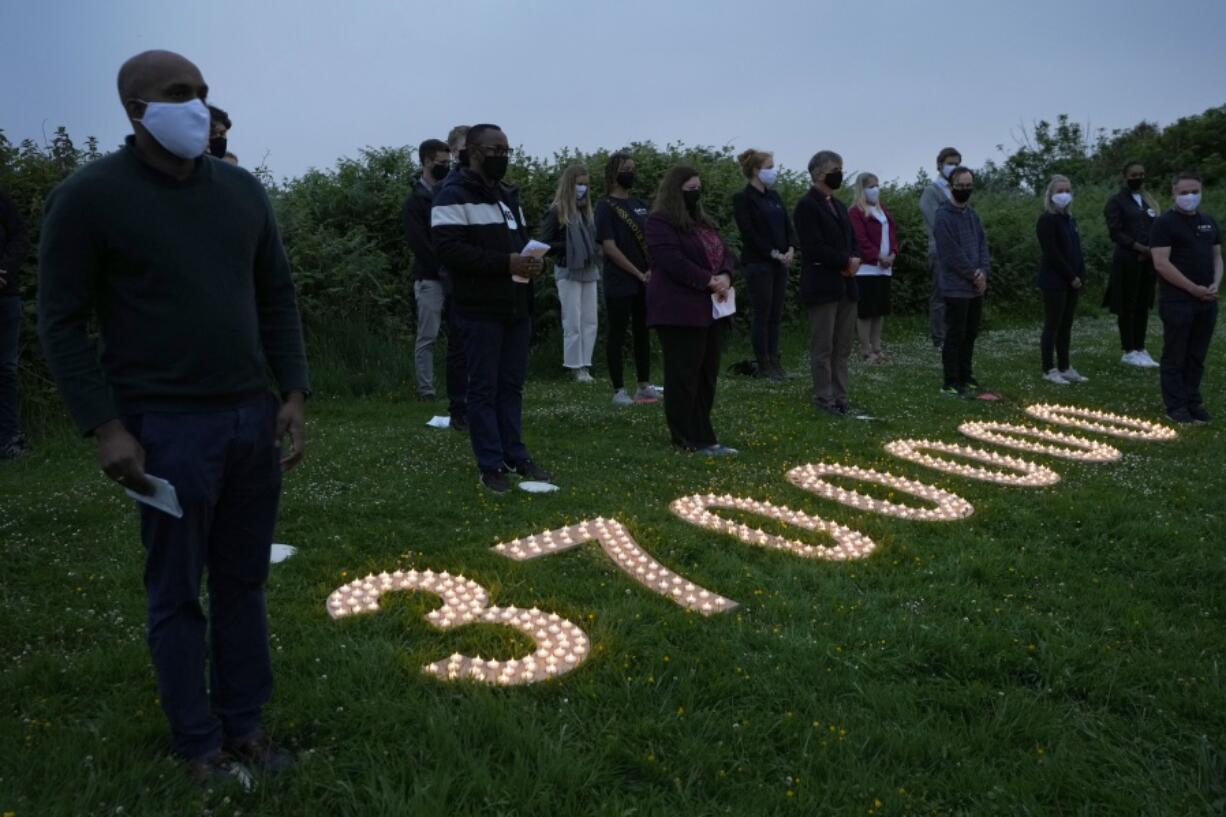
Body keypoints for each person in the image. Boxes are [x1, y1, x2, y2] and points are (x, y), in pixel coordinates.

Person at [38, 51, 309, 785]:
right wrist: (106, 425)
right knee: (178, 589)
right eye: (177, 94)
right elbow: (59, 321)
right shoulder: (91, 196)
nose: (196, 106)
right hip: (165, 428)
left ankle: (245, 722)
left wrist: (292, 390)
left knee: (243, 580)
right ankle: (198, 740)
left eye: (203, 93)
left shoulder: (242, 191)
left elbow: (276, 294)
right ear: (135, 108)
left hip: (249, 416)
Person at [431, 123, 552, 491]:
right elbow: (449, 250)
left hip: (516, 305)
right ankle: (490, 463)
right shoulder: (451, 195)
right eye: (495, 150)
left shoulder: (506, 195)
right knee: (483, 388)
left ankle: (515, 454)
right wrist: (506, 264)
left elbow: (519, 241)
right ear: (473, 151)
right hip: (478, 307)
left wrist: (534, 261)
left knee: (511, 385)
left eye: (506, 150)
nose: (502, 157)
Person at [645, 165, 736, 454]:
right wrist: (707, 280)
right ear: (676, 191)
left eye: (698, 189)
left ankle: (704, 434)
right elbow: (671, 260)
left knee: (707, 374)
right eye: (690, 190)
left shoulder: (704, 222)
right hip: (678, 309)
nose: (696, 194)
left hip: (709, 309)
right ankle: (686, 437)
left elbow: (726, 253)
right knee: (684, 375)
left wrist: (725, 275)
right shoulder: (660, 221)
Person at [1150, 171, 1221, 424]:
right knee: (1175, 354)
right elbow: (1161, 263)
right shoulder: (1164, 224)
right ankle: (1175, 405)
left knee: (1197, 355)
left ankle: (1193, 401)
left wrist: (1215, 283)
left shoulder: (1208, 221)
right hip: (1178, 300)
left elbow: (1216, 257)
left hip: (1207, 300)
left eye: (1194, 192)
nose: (1190, 197)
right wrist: (1192, 288)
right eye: (1184, 192)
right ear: (1174, 193)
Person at [794, 150, 860, 416]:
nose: (840, 173)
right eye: (835, 168)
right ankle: (824, 397)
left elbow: (851, 238)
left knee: (842, 346)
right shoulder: (807, 206)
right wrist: (844, 261)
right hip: (823, 284)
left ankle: (841, 396)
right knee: (824, 346)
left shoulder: (840, 205)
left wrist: (853, 258)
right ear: (819, 173)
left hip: (846, 284)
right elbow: (813, 247)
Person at [595, 151, 659, 406]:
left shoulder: (639, 204)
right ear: (613, 173)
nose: (631, 173)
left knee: (643, 332)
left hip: (645, 279)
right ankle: (618, 390)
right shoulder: (605, 206)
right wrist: (637, 272)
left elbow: (652, 239)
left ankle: (644, 385)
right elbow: (609, 247)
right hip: (620, 280)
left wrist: (651, 269)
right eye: (626, 169)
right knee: (618, 333)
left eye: (633, 168)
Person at [732, 148, 796, 381]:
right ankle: (764, 362)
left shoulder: (774, 196)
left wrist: (790, 249)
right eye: (769, 167)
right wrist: (773, 253)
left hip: (780, 263)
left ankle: (774, 358)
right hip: (758, 264)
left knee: (775, 314)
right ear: (756, 170)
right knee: (763, 312)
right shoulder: (743, 198)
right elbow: (749, 233)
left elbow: (788, 227)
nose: (773, 171)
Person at [540, 165, 601, 382]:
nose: (582, 188)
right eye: (579, 184)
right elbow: (544, 244)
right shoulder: (557, 211)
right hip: (567, 269)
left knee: (590, 319)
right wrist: (568, 246)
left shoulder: (587, 212)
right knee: (572, 320)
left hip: (589, 269)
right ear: (569, 185)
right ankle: (575, 366)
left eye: (585, 184)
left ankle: (586, 363)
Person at [934, 166, 990, 397]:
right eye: (961, 186)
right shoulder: (943, 216)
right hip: (956, 286)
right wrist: (972, 274)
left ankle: (966, 375)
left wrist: (983, 272)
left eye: (969, 186)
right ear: (951, 186)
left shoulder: (972, 215)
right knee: (955, 335)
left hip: (975, 287)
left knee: (970, 333)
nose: (965, 190)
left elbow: (982, 245)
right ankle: (951, 380)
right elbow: (950, 253)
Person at [403, 138, 452, 399]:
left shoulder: (449, 194)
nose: (446, 167)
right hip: (430, 277)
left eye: (448, 163)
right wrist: (444, 264)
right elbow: (419, 244)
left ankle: (459, 384)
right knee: (428, 335)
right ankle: (426, 390)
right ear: (425, 162)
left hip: (453, 274)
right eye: (440, 163)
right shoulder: (414, 202)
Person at [1104, 161, 1161, 368]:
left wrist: (1152, 249)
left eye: (1141, 174)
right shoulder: (1116, 202)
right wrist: (1138, 247)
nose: (1138, 178)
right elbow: (1115, 232)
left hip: (1148, 260)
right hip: (1128, 259)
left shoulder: (1148, 201)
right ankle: (1128, 350)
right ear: (1125, 176)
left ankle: (1140, 347)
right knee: (1127, 304)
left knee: (1143, 304)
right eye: (1134, 174)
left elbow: (1156, 226)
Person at [434, 124, 471, 429]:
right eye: (461, 150)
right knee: (459, 346)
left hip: (484, 281)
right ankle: (459, 407)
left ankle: (480, 402)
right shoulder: (446, 190)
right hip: (457, 280)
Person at [1035, 175, 1087, 385]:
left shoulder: (1070, 220)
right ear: (1051, 195)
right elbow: (1052, 253)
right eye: (1059, 191)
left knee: (1066, 325)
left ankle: (1065, 366)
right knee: (1053, 324)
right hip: (1054, 281)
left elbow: (1076, 250)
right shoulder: (1047, 220)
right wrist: (1070, 276)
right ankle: (1049, 368)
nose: (1064, 194)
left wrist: (1080, 275)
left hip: (1073, 281)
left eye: (1067, 190)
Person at [848, 172, 897, 363]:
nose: (875, 189)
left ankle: (877, 348)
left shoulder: (882, 210)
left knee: (880, 310)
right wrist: (877, 256)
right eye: (870, 186)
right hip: (867, 268)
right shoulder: (855, 212)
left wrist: (893, 253)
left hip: (885, 268)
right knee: (866, 311)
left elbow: (892, 235)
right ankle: (866, 350)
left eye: (877, 185)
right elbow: (860, 239)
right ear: (862, 189)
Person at [920, 147, 962, 349]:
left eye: (956, 163)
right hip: (940, 250)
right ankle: (939, 338)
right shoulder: (931, 191)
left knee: (957, 294)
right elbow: (936, 222)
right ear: (939, 165)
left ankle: (954, 335)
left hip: (960, 251)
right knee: (940, 296)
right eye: (950, 163)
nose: (953, 167)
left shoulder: (958, 188)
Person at [0, 186, 30, 459]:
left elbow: (21, 236)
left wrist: (4, 271)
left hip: (4, 298)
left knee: (5, 370)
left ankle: (9, 440)